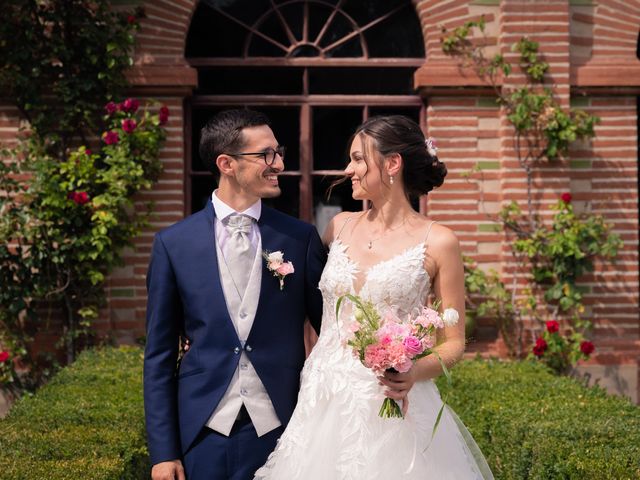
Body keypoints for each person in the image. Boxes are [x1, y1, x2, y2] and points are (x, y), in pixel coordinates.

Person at [255, 115, 493, 479]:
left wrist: (412, 372)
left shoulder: (440, 241)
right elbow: (301, 306)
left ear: (392, 163)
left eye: (358, 159)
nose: (349, 169)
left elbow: (454, 343)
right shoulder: (338, 227)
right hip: (323, 398)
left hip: (392, 401)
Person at [144, 109, 326, 480]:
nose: (279, 164)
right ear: (226, 163)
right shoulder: (173, 244)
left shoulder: (300, 238)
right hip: (204, 432)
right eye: (266, 155)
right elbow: (159, 355)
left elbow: (330, 331)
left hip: (283, 426)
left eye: (279, 152)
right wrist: (163, 453)